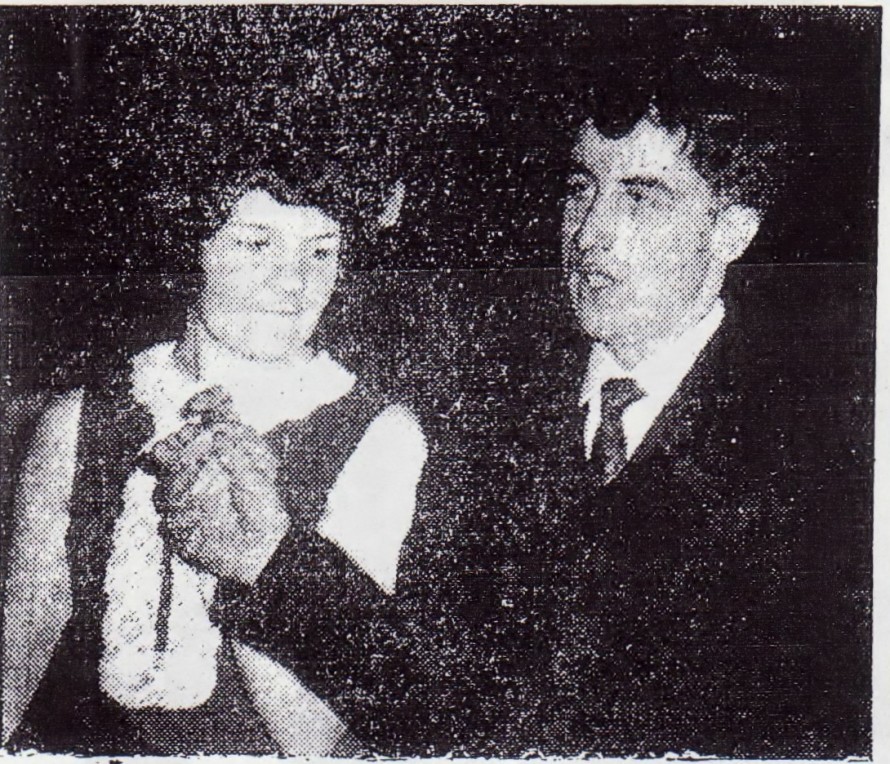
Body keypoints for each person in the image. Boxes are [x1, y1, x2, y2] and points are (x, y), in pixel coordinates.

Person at [2, 152, 449, 755]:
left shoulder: (381, 435)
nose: (292, 283)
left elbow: (316, 742)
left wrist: (248, 556)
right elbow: (22, 648)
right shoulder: (80, 418)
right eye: (256, 245)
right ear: (194, 245)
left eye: (321, 252)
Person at [499, 50, 871, 758]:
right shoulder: (491, 411)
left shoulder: (823, 458)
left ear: (731, 233)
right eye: (581, 189)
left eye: (641, 199)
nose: (590, 234)